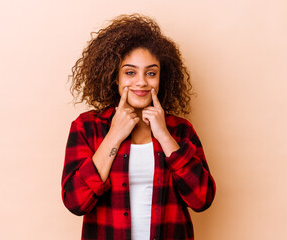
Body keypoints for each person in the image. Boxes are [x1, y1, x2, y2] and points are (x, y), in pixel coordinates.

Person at [61, 14, 216, 240]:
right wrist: (114, 135)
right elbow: (75, 202)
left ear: (162, 77)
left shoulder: (180, 130)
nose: (141, 81)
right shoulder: (87, 127)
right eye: (130, 72)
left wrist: (163, 135)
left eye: (151, 73)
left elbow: (202, 199)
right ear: (115, 77)